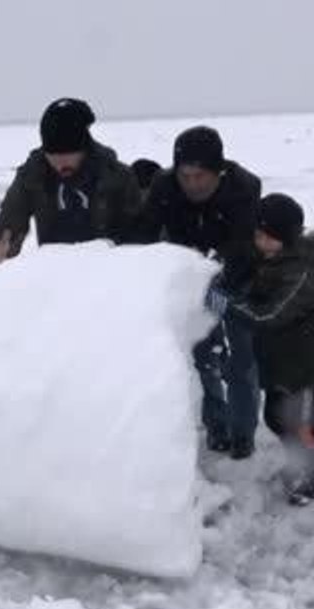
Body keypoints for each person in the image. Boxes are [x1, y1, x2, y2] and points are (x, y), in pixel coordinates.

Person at [137, 126, 262, 458]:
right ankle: (216, 426)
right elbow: (143, 235)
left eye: (200, 175)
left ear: (218, 171)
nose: (192, 184)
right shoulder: (164, 186)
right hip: (189, 281)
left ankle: (243, 432)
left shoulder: (245, 188)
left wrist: (219, 278)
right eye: (185, 175)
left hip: (236, 280)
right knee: (203, 357)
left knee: (240, 360)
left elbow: (244, 245)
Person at [214, 193, 314, 504]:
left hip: (302, 366)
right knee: (277, 419)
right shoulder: (269, 259)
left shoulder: (299, 273)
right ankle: (300, 463)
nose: (260, 241)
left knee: (301, 426)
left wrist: (227, 304)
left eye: (267, 237)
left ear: (286, 239)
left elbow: (269, 315)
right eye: (258, 235)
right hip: (278, 361)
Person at [0, 98, 142, 264]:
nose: (60, 164)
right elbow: (11, 219)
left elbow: (136, 236)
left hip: (104, 273)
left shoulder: (116, 175)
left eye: (67, 156)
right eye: (53, 157)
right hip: (53, 273)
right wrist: (0, 246)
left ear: (83, 149)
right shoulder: (32, 175)